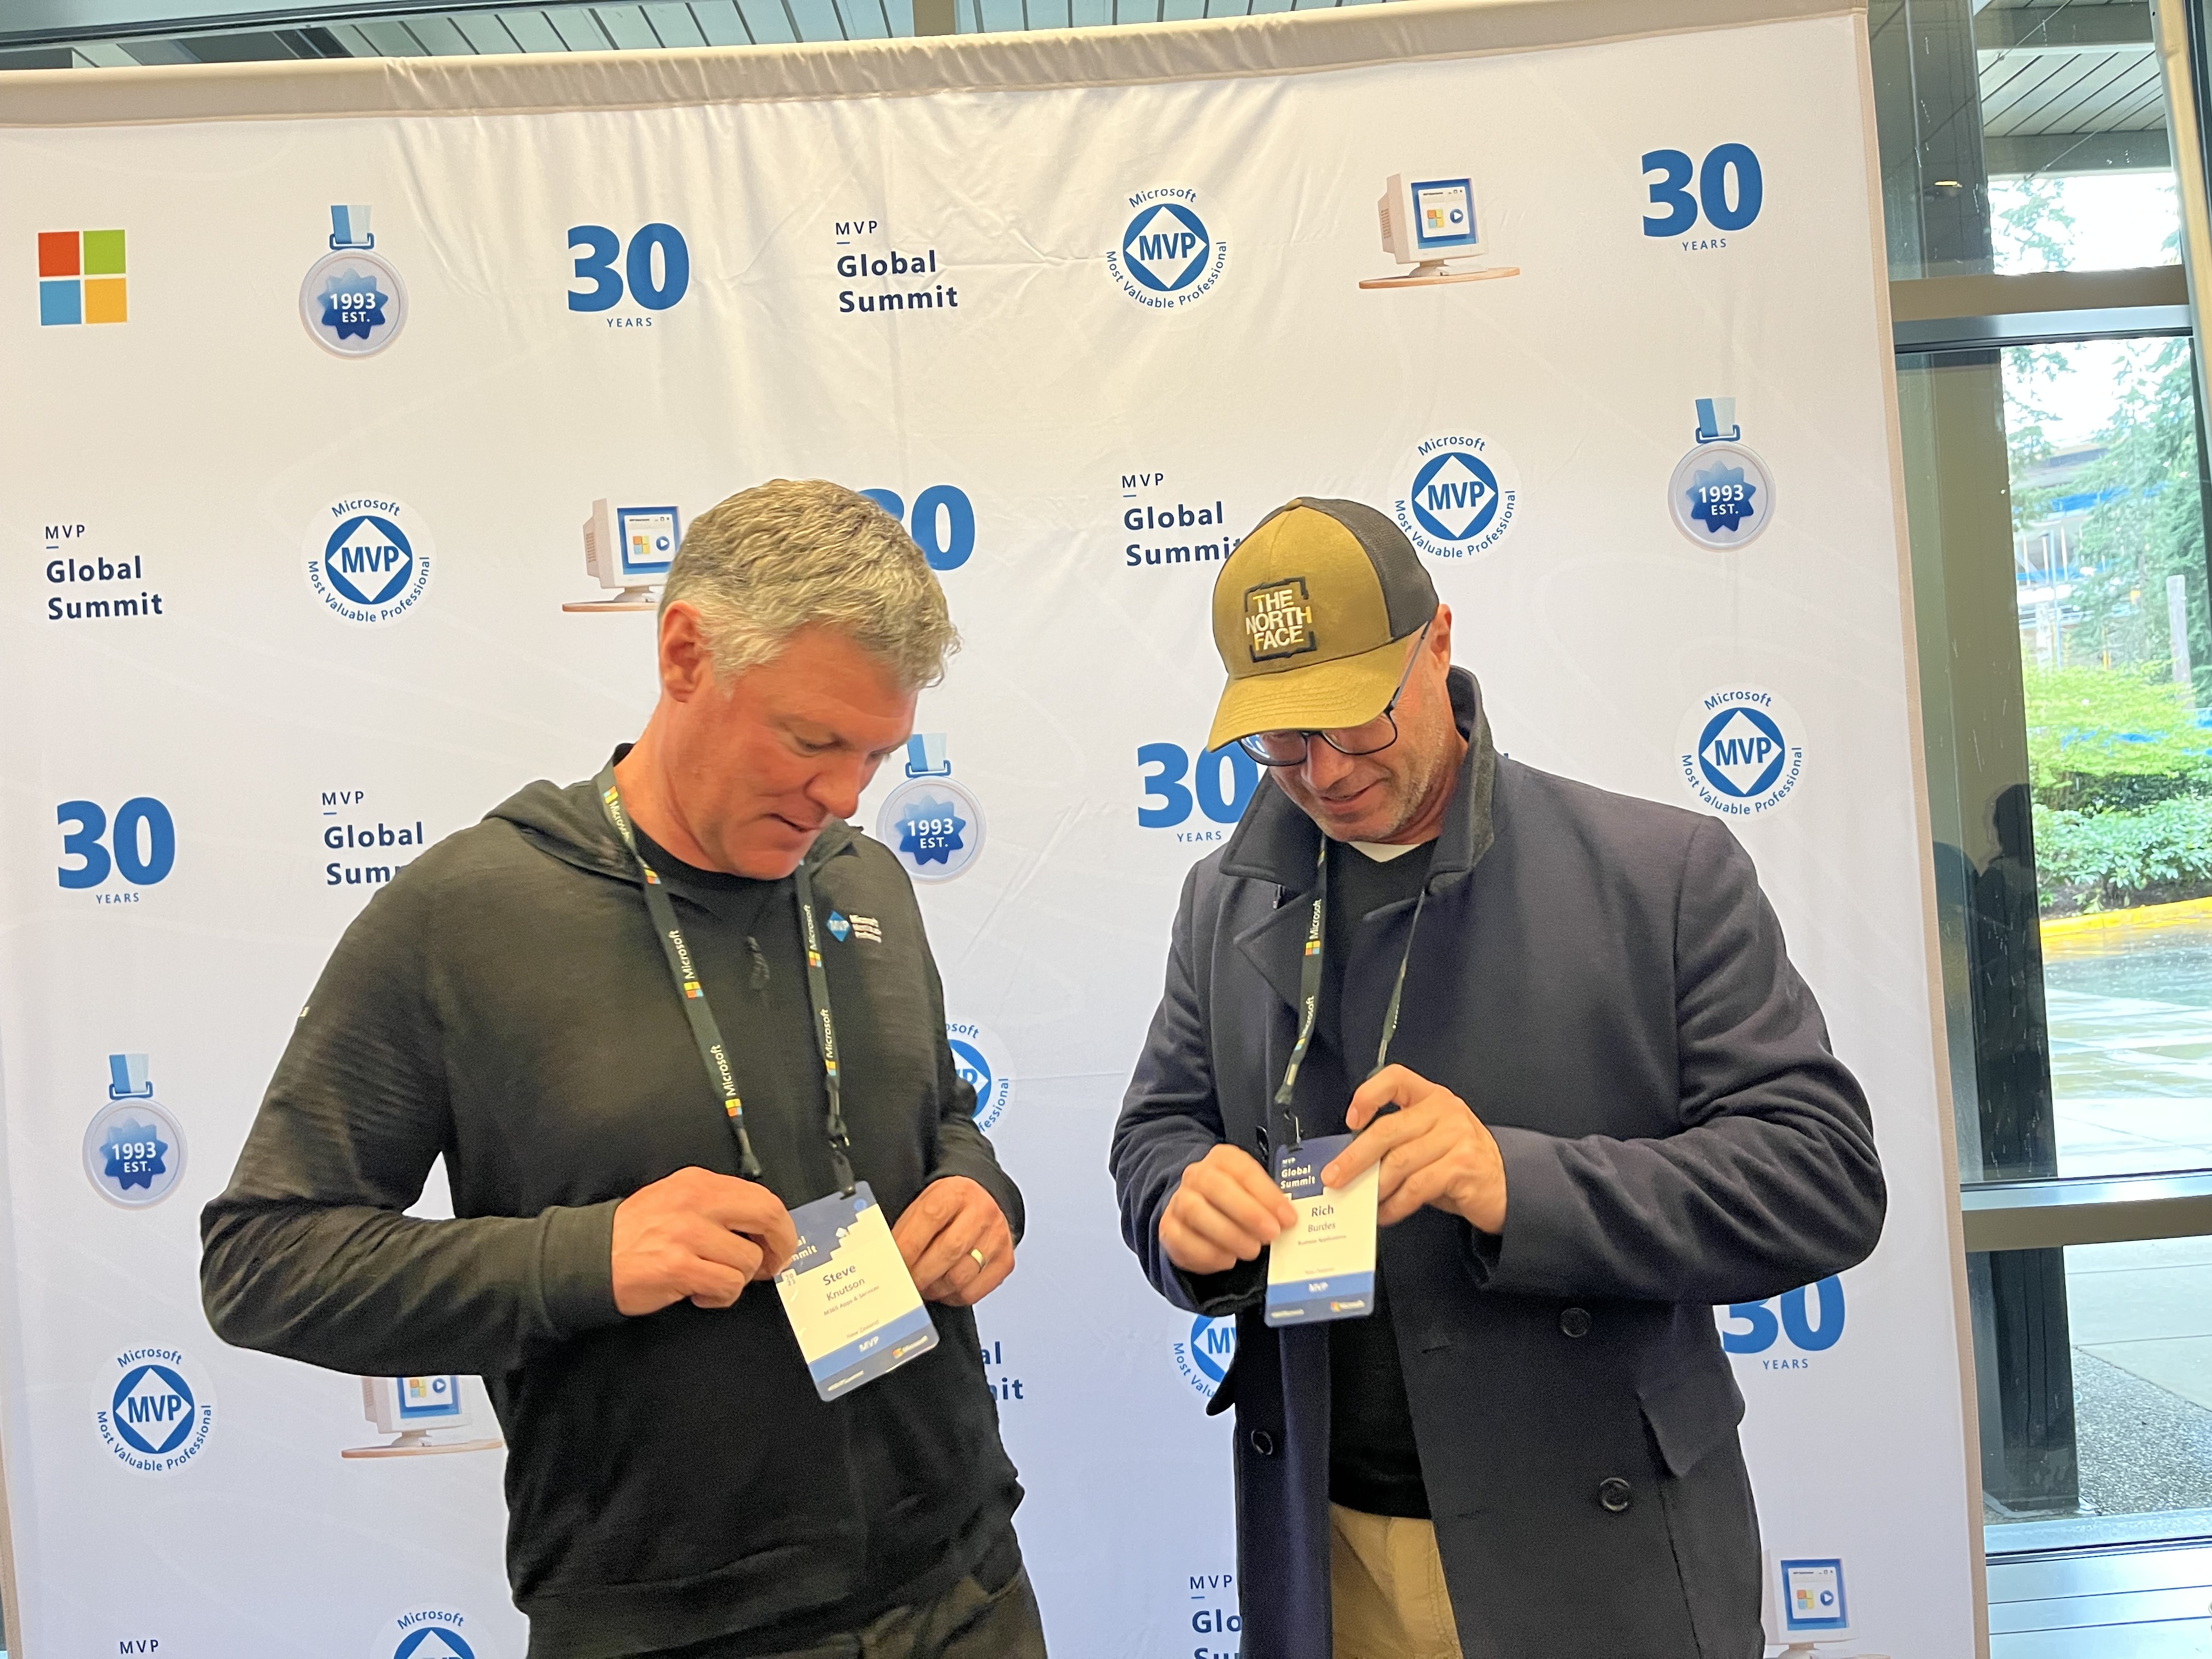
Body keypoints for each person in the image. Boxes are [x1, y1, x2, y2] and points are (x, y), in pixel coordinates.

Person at [202, 480, 1043, 1659]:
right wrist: (585, 1258)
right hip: (670, 1630)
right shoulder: (465, 918)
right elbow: (263, 1264)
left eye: (876, 753)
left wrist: (976, 1191)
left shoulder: (865, 882)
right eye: (811, 741)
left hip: (966, 1588)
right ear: (685, 653)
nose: (846, 795)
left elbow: (941, 1115)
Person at [1109, 498, 1886, 1659]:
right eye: (1281, 739)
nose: (1323, 772)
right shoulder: (1222, 898)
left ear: (1437, 643)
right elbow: (1157, 1132)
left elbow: (1822, 1180)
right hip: (1324, 1553)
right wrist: (1182, 1203)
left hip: (1594, 1553)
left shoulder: (1662, 874)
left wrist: (1520, 1184)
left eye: (1354, 720)